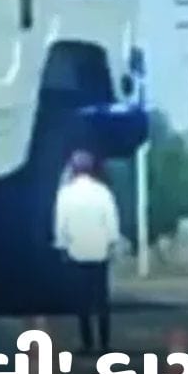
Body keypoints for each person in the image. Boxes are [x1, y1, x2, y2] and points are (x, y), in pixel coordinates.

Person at [54, 149, 122, 355]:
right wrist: (112, 243)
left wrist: (62, 246)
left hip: (77, 251)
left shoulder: (66, 194)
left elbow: (60, 223)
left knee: (82, 300)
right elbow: (111, 221)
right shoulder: (103, 192)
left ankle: (87, 342)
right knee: (102, 300)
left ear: (74, 169)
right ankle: (104, 342)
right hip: (100, 251)